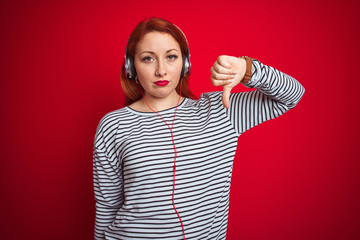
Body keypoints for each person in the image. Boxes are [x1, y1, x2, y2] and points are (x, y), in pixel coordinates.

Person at [93, 17, 305, 240]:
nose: (161, 70)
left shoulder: (221, 110)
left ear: (185, 64)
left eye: (171, 57)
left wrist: (247, 69)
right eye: (148, 59)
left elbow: (292, 95)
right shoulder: (113, 125)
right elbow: (107, 206)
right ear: (131, 66)